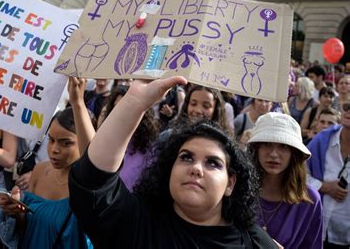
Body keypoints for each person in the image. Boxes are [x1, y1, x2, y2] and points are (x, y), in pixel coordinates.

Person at [68, 77, 277, 248]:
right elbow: (93, 182)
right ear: (169, 170)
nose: (196, 168)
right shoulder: (137, 223)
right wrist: (134, 102)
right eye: (186, 157)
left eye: (212, 163)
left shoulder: (255, 242)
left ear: (230, 183)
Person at [0, 77, 94, 249]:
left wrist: (77, 103)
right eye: (51, 140)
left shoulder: (89, 186)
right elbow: (28, 226)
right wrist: (16, 210)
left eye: (66, 143)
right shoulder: (40, 170)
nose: (54, 149)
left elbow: (93, 158)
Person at [247, 112, 323, 248]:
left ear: (294, 153)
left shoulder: (310, 200)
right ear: (256, 149)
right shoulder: (238, 189)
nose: (274, 154)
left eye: (284, 146)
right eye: (266, 144)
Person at [98, 85, 159, 190]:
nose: (121, 115)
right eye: (116, 109)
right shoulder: (101, 143)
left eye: (127, 109)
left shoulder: (149, 150)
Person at [307, 99, 350, 248]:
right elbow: (298, 173)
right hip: (315, 230)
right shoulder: (323, 139)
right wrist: (322, 186)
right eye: (347, 106)